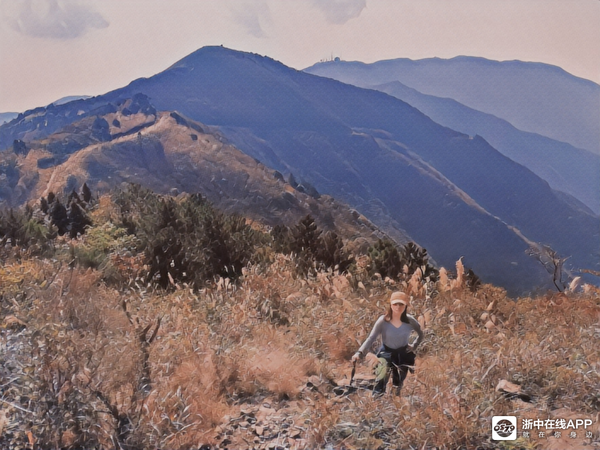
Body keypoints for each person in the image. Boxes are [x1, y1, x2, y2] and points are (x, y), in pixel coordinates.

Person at [352, 291, 424, 395]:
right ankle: (377, 400)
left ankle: (394, 402)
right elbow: (371, 338)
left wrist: (414, 346)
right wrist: (359, 352)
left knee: (397, 385)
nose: (398, 307)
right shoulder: (383, 320)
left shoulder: (410, 320)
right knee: (380, 380)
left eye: (401, 304)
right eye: (395, 304)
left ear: (405, 305)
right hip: (386, 353)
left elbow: (421, 334)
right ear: (391, 305)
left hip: (403, 354)